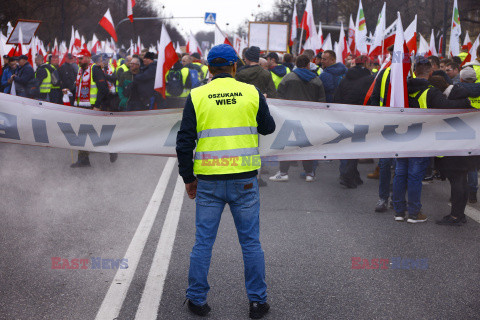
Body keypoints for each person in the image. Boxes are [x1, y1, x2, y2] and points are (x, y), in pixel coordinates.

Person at [176, 44, 275, 319]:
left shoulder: (197, 95)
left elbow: (184, 141)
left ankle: (196, 299)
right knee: (251, 243)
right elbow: (268, 127)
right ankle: (257, 302)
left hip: (208, 181)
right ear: (234, 67)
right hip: (244, 181)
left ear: (209, 68)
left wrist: (188, 178)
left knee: (203, 243)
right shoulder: (251, 92)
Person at [394, 57, 471, 223]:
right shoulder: (430, 91)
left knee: (400, 173)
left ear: (414, 72)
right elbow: (448, 108)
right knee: (415, 175)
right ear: (430, 73)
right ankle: (414, 213)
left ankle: (399, 211)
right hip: (421, 140)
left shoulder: (402, 89)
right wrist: (466, 102)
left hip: (400, 138)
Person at [269, 54, 325, 183]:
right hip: (309, 119)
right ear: (308, 64)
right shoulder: (317, 80)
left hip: (289, 117)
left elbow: (279, 97)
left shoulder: (288, 78)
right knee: (307, 145)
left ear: (296, 64)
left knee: (286, 145)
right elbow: (322, 101)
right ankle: (310, 173)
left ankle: (283, 173)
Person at [334, 55, 375, 188]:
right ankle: (347, 175)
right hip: (361, 116)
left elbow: (337, 97)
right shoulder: (370, 80)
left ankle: (351, 174)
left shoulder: (345, 79)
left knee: (345, 145)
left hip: (344, 116)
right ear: (367, 64)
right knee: (355, 146)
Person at [69, 49, 111, 167]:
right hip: (81, 107)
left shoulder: (95, 70)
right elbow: (79, 87)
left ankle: (113, 149)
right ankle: (83, 159)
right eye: (78, 58)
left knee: (96, 132)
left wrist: (97, 106)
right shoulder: (80, 70)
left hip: (92, 107)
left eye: (81, 58)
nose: (79, 60)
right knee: (81, 133)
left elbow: (103, 89)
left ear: (88, 58)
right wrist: (70, 91)